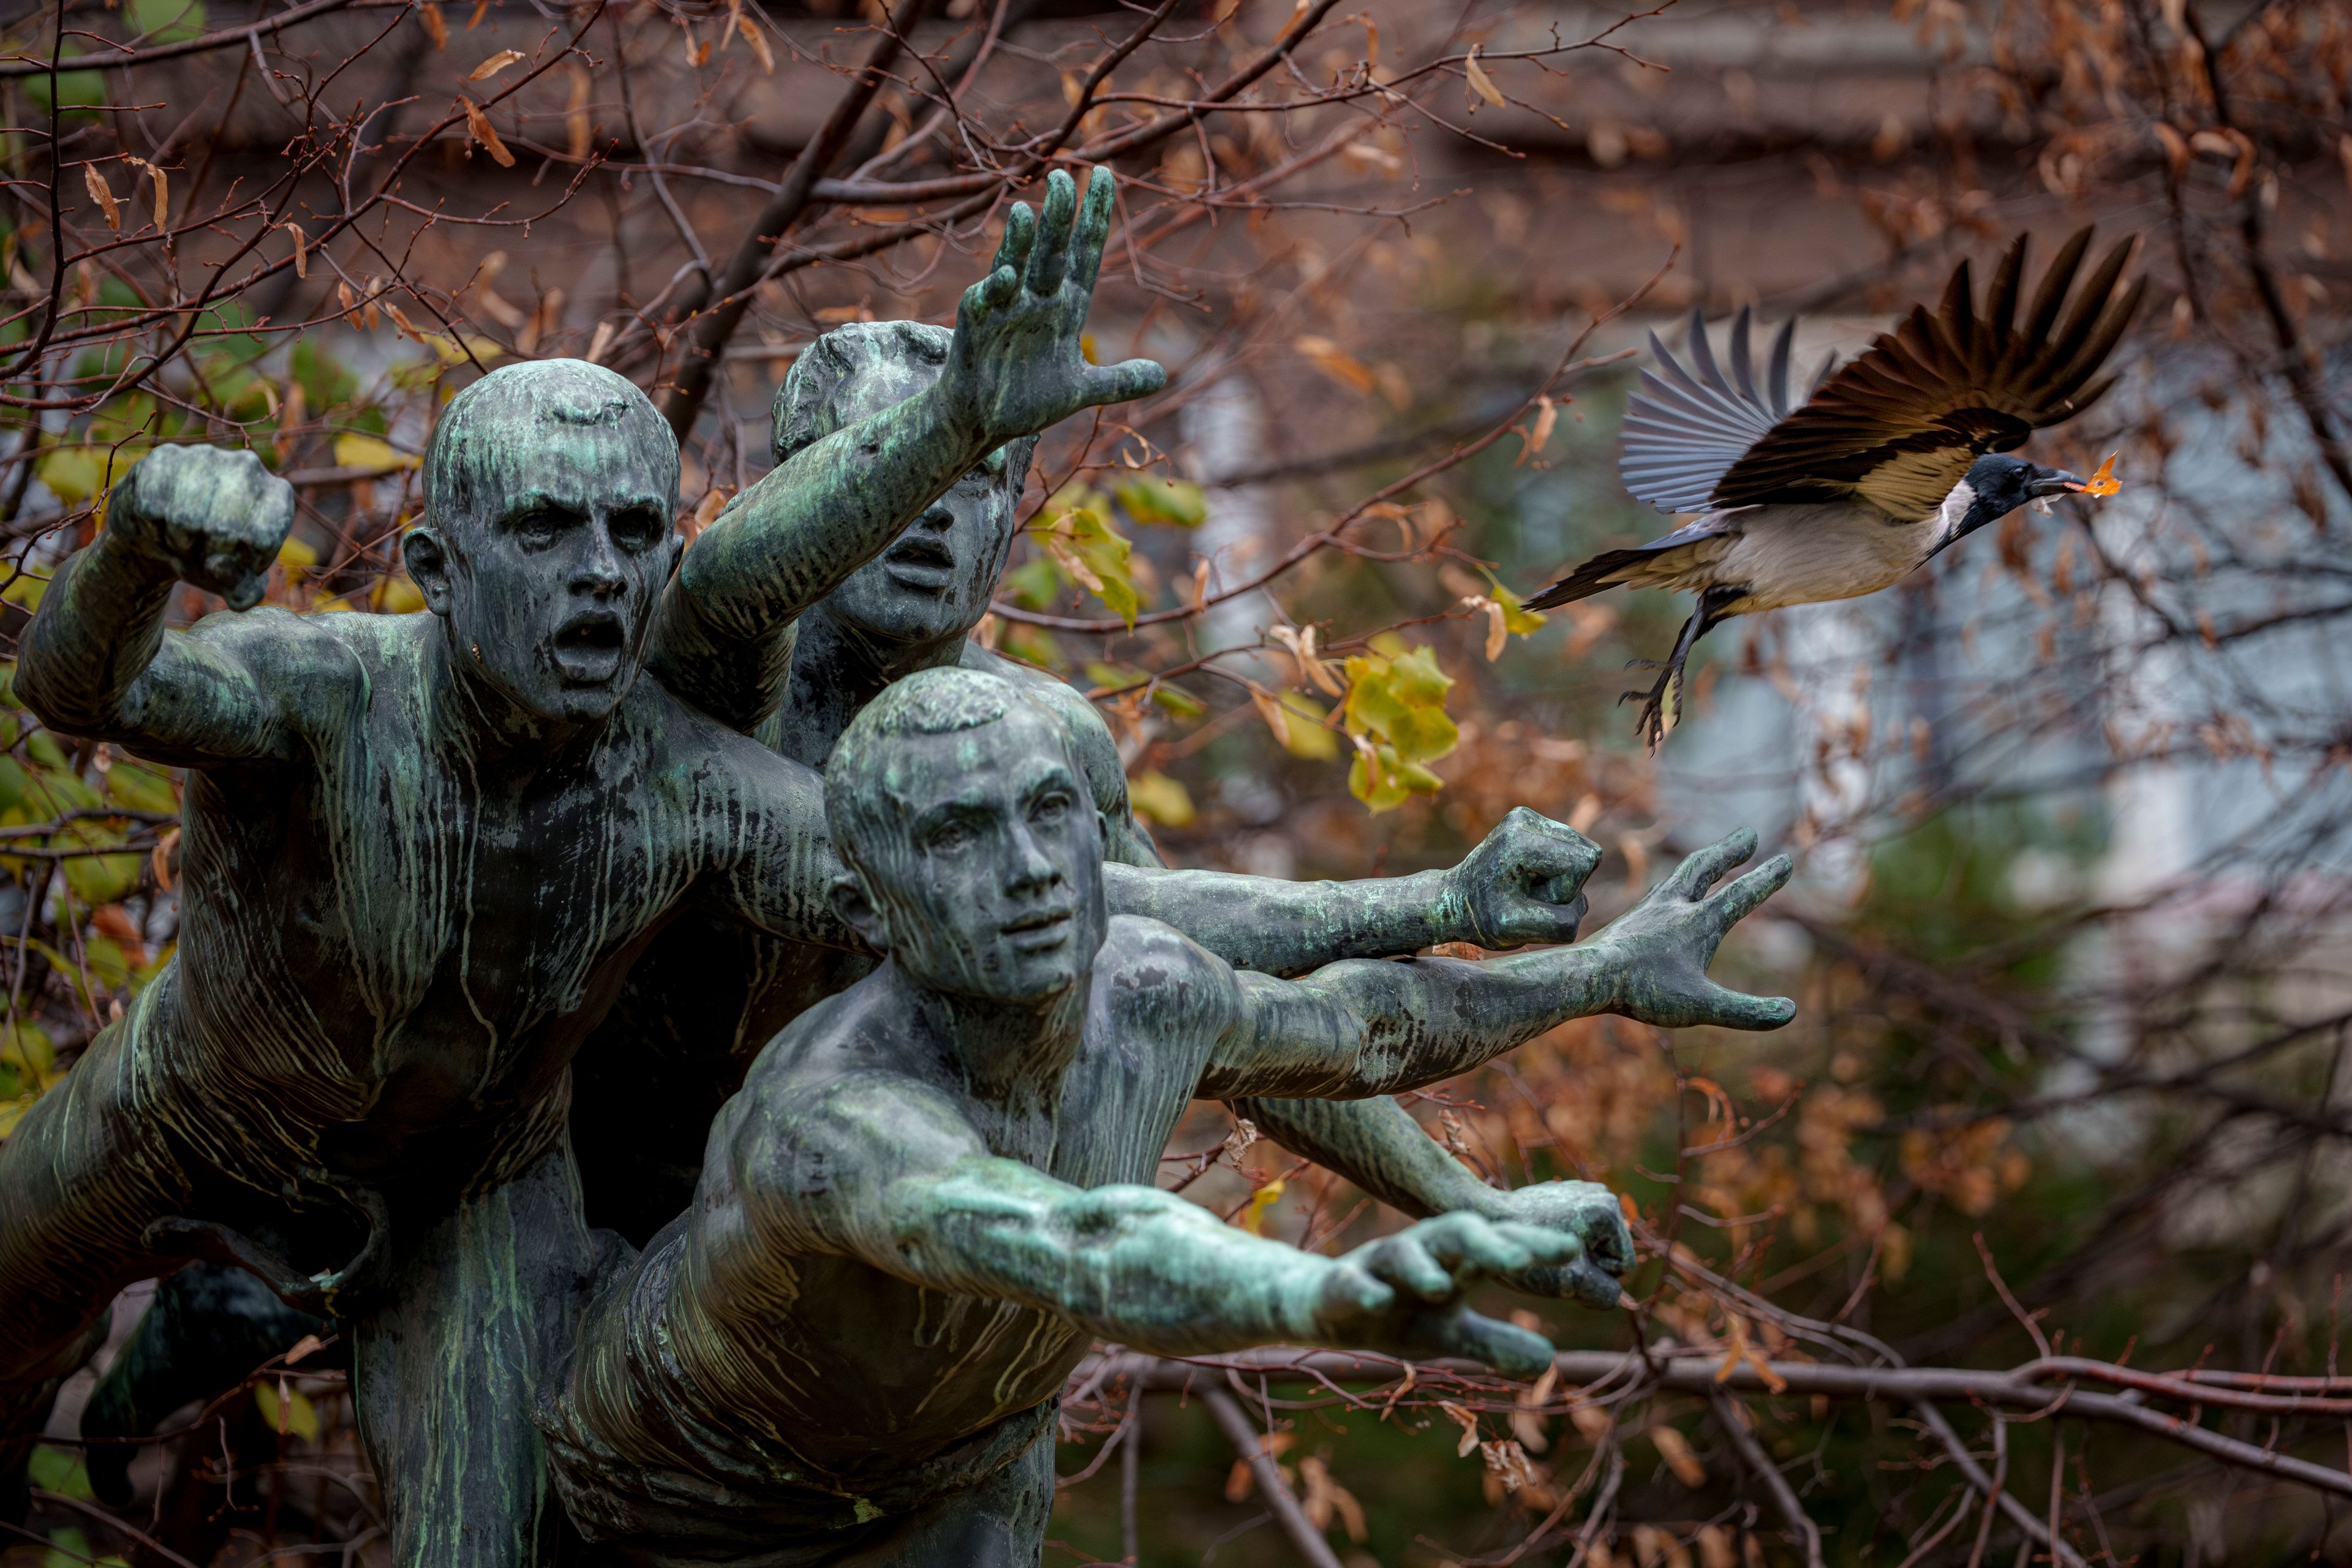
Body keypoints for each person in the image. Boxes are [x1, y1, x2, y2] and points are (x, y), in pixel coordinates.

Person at [0, 171, 1170, 1566]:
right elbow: (82, 690)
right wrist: (131, 552)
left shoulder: (789, 775)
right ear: (439, 563)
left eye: (629, 535)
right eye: (548, 531)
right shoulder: (421, 685)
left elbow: (1103, 932)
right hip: (219, 1110)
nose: (599, 572)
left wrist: (1424, 919)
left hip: (525, 1198)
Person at [541, 666, 1793, 1566]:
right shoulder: (833, 1121)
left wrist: (1606, 971)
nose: (1029, 868)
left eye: (1051, 812)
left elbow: (1370, 1028)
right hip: (682, 1503)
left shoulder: (1149, 989)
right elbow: (1078, 1238)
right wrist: (1329, 1293)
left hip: (955, 1463)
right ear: (868, 908)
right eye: (960, 835)